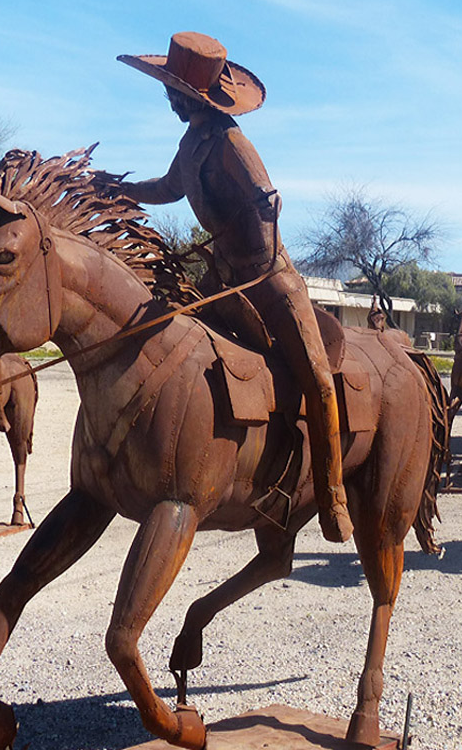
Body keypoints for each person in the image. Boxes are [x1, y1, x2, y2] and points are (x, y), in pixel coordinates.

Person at [114, 32, 352, 543]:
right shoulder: (193, 143)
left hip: (267, 279)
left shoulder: (232, 145)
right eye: (169, 91)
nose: (170, 100)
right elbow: (167, 188)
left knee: (317, 375)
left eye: (174, 92)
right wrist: (119, 188)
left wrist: (254, 256)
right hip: (220, 275)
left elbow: (267, 200)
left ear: (193, 96)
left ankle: (332, 491)